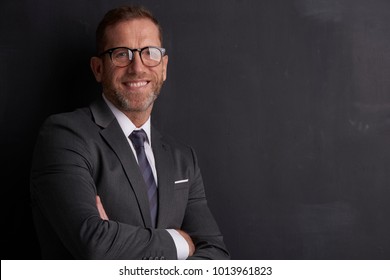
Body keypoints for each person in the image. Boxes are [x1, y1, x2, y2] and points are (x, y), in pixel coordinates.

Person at [30, 5, 230, 260]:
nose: (137, 67)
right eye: (121, 54)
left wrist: (116, 239)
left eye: (150, 53)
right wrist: (180, 241)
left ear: (164, 67)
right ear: (98, 69)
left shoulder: (183, 159)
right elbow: (94, 243)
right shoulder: (64, 136)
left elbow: (217, 257)